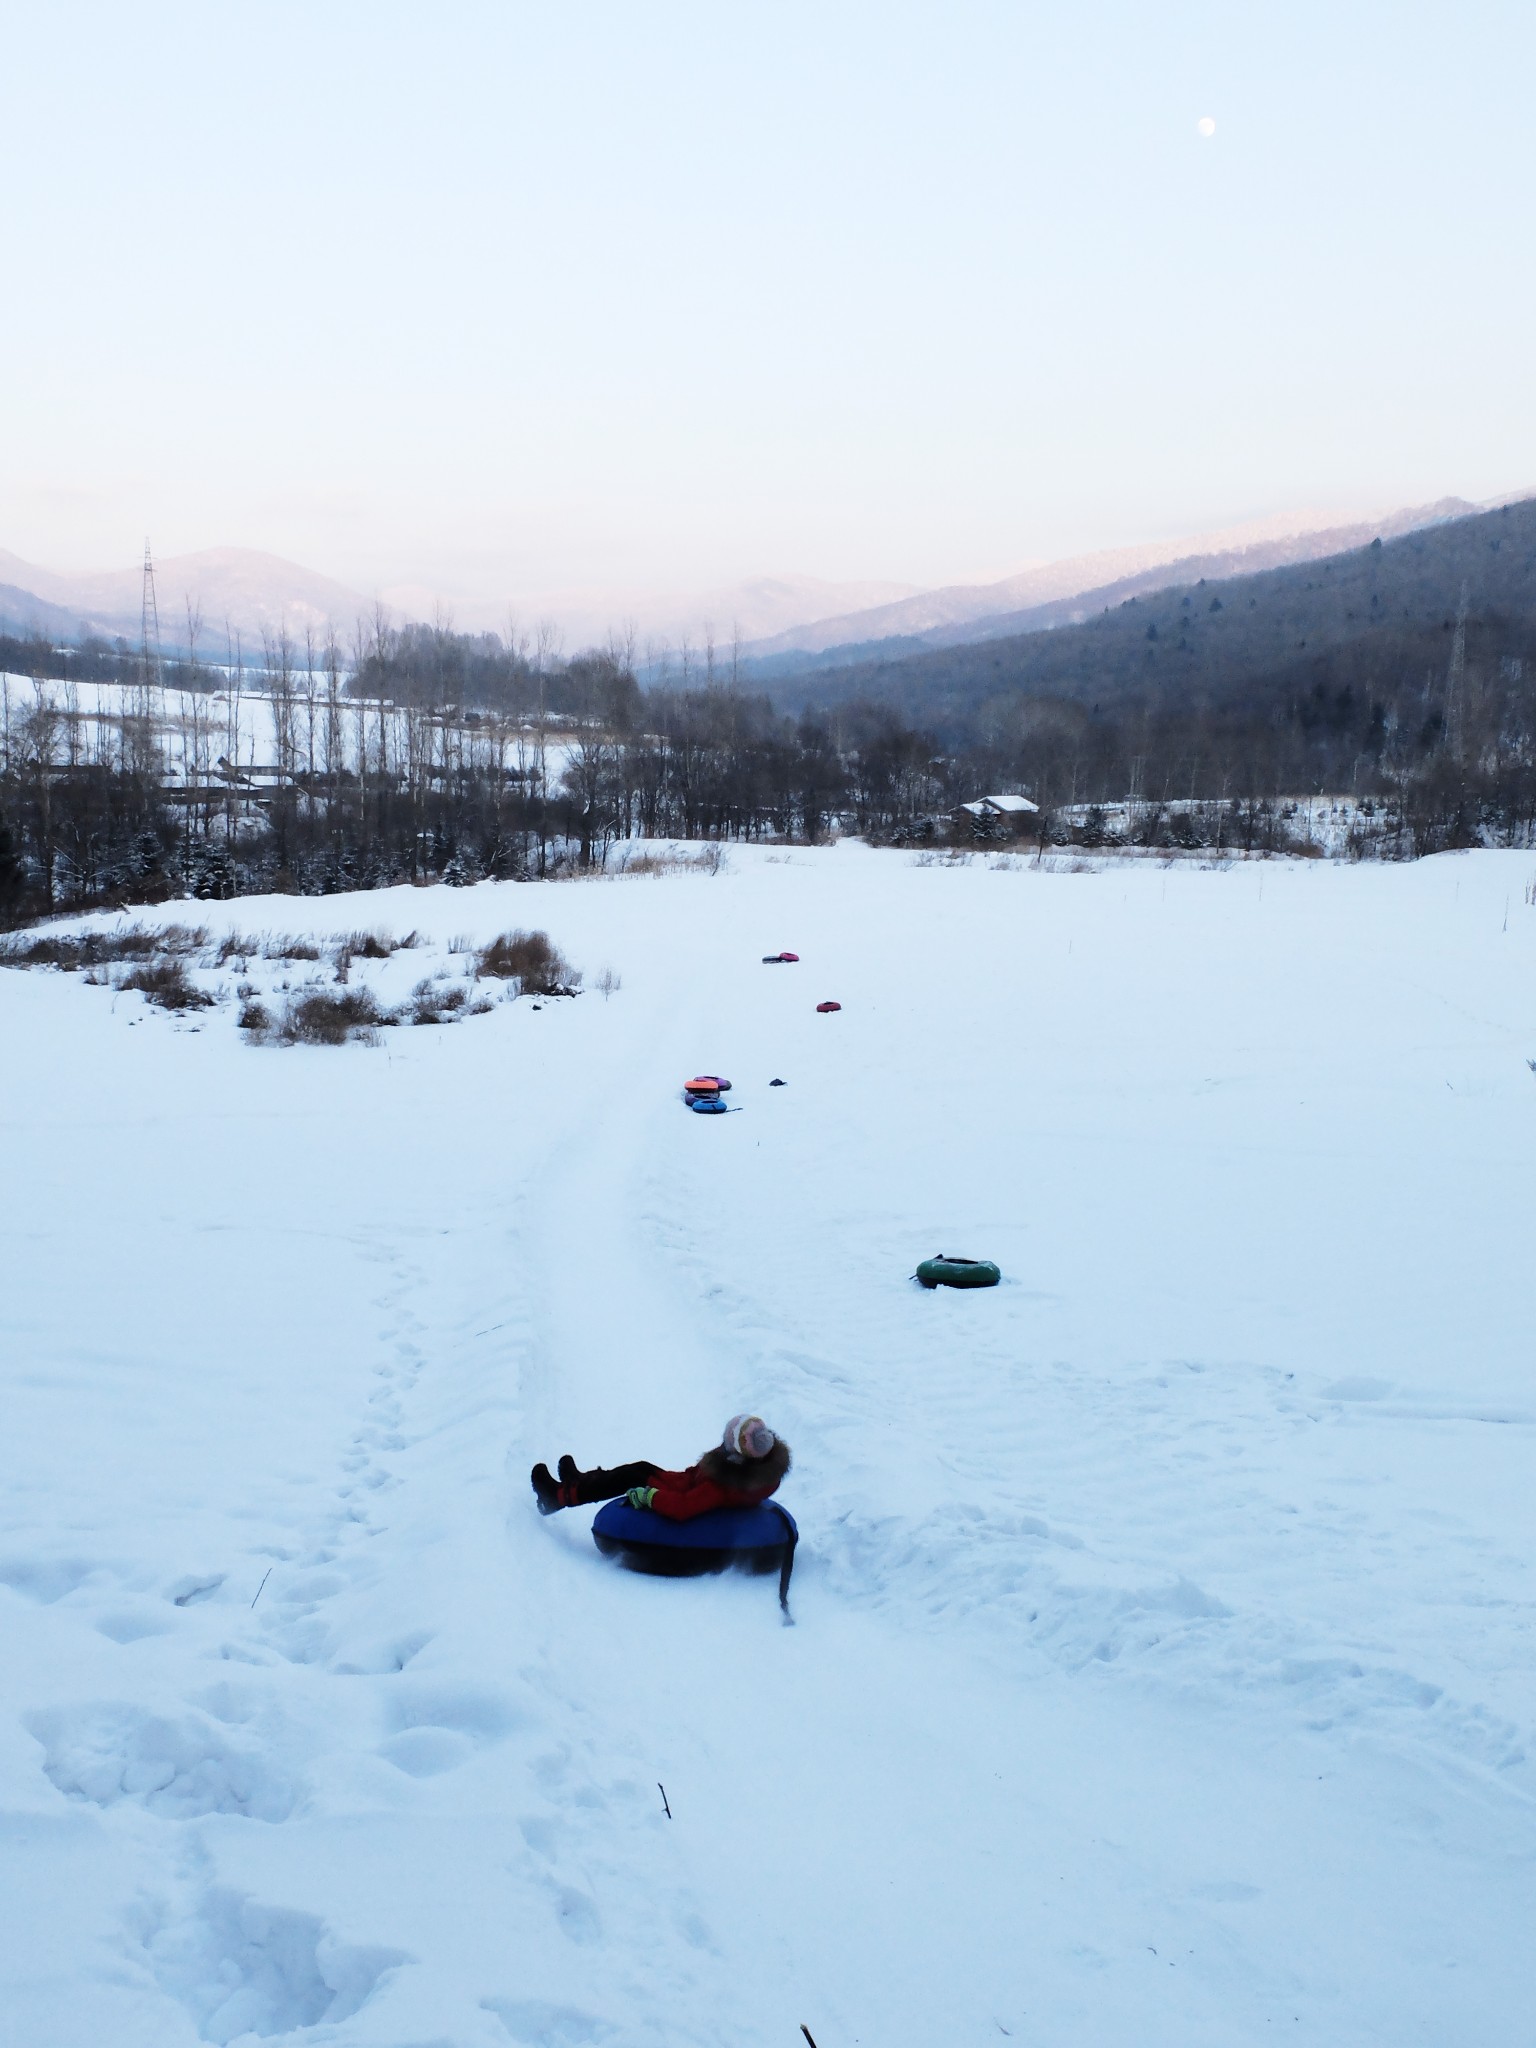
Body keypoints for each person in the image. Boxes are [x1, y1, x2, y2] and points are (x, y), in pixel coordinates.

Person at [531, 1414, 789, 1521]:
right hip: (684, 1485)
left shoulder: (725, 1484)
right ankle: (580, 1482)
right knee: (641, 1467)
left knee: (632, 1477)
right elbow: (695, 1477)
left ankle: (559, 1497)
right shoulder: (743, 1467)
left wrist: (649, 1496)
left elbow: (684, 1506)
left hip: (680, 1497)